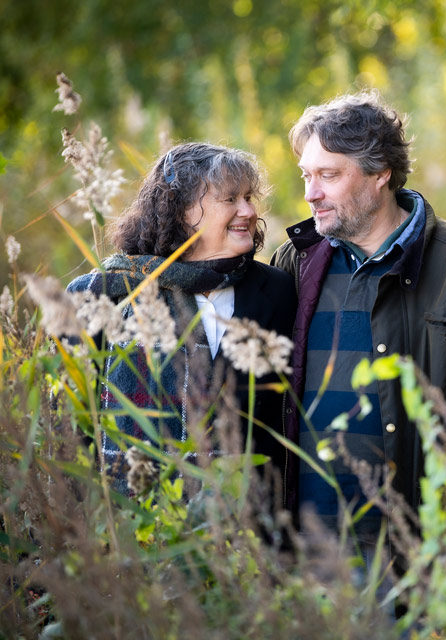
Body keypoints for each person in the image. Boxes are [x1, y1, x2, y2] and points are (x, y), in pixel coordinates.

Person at [271, 91, 446, 600]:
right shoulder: (296, 263)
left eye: (329, 175)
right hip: (304, 549)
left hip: (417, 551)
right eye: (306, 174)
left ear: (379, 173)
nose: (311, 193)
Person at [67, 142, 297, 506]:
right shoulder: (98, 297)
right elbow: (68, 433)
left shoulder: (279, 291)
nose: (249, 211)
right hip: (134, 531)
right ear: (181, 212)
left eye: (249, 197)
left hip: (252, 533)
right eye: (230, 199)